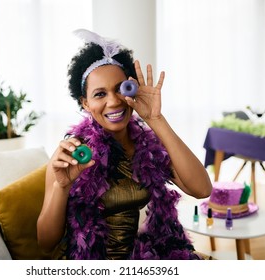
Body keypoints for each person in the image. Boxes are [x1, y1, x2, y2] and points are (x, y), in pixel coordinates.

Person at [37, 29, 212, 260]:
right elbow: (46, 243)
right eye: (100, 94)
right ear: (85, 103)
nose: (113, 101)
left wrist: (156, 120)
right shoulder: (71, 155)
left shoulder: (148, 148)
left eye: (121, 88)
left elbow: (202, 189)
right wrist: (62, 187)